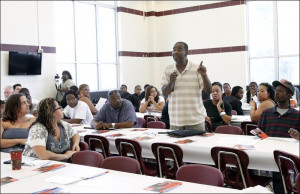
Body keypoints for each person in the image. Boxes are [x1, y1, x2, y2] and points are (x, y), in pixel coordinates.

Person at [257, 79, 300, 194]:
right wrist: (263, 138)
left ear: (289, 95)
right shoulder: (266, 113)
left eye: (280, 91)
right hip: (267, 154)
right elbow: (258, 132)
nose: (276, 93)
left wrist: (298, 137)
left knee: (281, 179)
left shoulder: (297, 116)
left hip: (287, 157)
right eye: (276, 91)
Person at [161, 42, 211, 130]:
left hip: (195, 120)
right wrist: (171, 82)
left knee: (196, 144)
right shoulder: (168, 69)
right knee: (175, 144)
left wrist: (204, 75)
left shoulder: (196, 68)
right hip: (176, 121)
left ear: (186, 52)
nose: (175, 52)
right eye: (173, 49)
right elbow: (164, 92)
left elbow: (208, 90)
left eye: (179, 49)